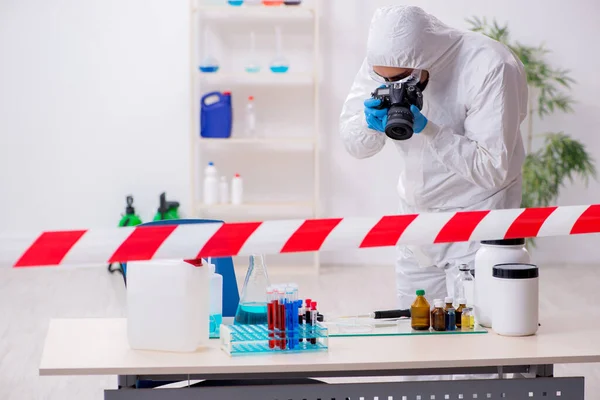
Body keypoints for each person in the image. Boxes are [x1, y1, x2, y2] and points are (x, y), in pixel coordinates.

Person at [339, 5, 528, 309]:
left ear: (425, 60)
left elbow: (494, 168)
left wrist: (431, 131)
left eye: (401, 79)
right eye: (384, 80)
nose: (393, 87)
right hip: (416, 217)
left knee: (478, 329)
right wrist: (368, 124)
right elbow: (355, 146)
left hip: (477, 217)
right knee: (415, 327)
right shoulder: (383, 62)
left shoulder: (490, 66)